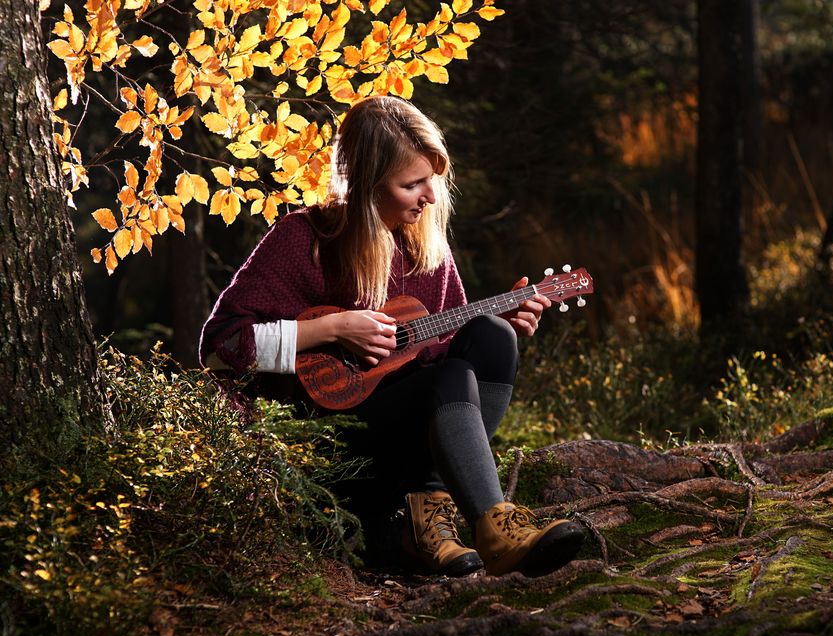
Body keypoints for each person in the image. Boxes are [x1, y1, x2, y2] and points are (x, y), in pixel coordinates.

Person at [199, 95, 584, 577]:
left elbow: (441, 352)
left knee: (490, 336)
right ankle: (476, 524)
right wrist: (334, 327)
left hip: (400, 435)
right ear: (366, 184)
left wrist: (509, 315)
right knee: (454, 374)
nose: (429, 197)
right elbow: (220, 348)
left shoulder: (426, 249)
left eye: (433, 180)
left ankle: (442, 521)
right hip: (329, 444)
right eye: (412, 184)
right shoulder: (306, 238)